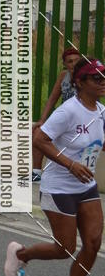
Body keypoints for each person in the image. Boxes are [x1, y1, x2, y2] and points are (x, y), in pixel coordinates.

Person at [5, 56, 105, 276]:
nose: (103, 82)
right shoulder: (68, 111)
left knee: (93, 242)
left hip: (86, 186)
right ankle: (22, 255)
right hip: (59, 187)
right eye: (97, 78)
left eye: (104, 76)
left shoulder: (101, 111)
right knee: (64, 248)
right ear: (80, 82)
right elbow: (39, 139)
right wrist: (70, 164)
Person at [32, 47, 80, 182]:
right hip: (63, 117)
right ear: (64, 64)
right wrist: (42, 120)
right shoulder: (63, 76)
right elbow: (52, 99)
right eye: (70, 61)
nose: (74, 64)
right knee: (38, 132)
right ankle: (36, 173)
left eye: (77, 60)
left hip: (79, 119)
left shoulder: (86, 77)